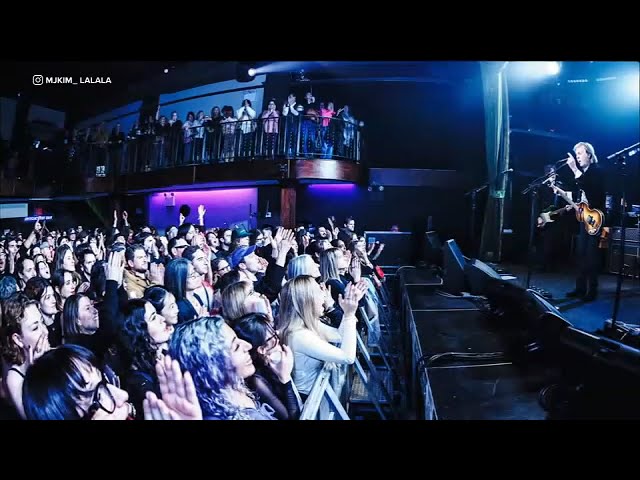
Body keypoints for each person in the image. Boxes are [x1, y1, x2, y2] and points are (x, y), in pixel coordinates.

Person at [553, 142, 606, 301]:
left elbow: (594, 194)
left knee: (591, 256)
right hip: (585, 219)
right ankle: (580, 288)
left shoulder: (597, 172)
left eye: (580, 154)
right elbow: (581, 198)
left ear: (589, 155)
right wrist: (561, 193)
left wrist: (575, 170)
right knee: (581, 254)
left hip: (595, 217)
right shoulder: (584, 173)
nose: (578, 157)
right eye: (576, 155)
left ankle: (592, 290)